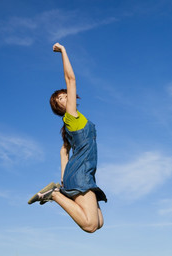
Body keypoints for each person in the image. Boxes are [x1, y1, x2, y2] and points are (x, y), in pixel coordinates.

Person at [28, 43, 107, 233]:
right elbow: (71, 79)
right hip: (80, 173)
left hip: (82, 173)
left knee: (99, 223)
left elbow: (64, 151)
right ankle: (54, 195)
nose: (65, 97)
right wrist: (63, 51)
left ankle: (58, 190)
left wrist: (64, 178)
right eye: (60, 99)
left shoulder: (71, 125)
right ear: (59, 108)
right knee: (90, 225)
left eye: (65, 95)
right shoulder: (70, 117)